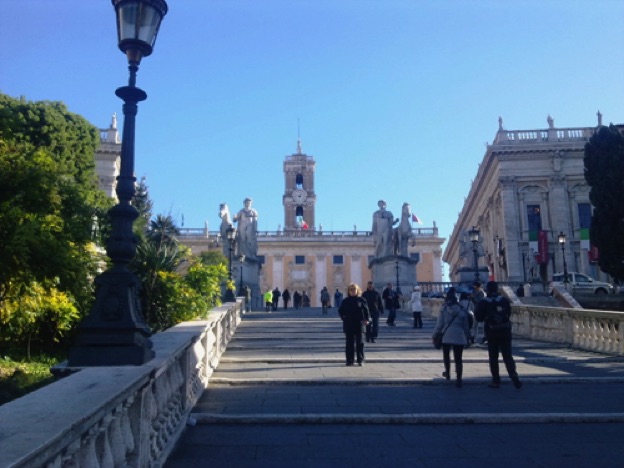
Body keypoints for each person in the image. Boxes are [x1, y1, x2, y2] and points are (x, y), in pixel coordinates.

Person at [475, 281, 522, 389]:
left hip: (492, 333)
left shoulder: (484, 302)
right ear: (497, 289)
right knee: (508, 356)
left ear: (487, 289)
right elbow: (509, 314)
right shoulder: (504, 300)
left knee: (493, 357)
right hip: (505, 331)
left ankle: (496, 380)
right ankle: (514, 377)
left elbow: (479, 318)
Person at [432, 287, 471, 388]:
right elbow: (466, 326)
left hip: (447, 334)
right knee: (458, 358)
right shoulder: (463, 310)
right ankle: (459, 379)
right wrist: (468, 336)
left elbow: (439, 324)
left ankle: (448, 373)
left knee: (446, 355)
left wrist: (434, 335)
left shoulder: (444, 309)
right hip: (459, 335)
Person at [338, 283, 370, 366]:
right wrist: (343, 317)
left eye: (354, 290)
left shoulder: (361, 300)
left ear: (357, 290)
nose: (352, 291)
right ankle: (349, 360)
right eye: (351, 290)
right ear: (349, 291)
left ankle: (360, 360)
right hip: (349, 323)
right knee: (349, 343)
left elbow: (366, 311)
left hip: (359, 324)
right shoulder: (345, 301)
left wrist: (367, 320)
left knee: (360, 343)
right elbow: (341, 311)